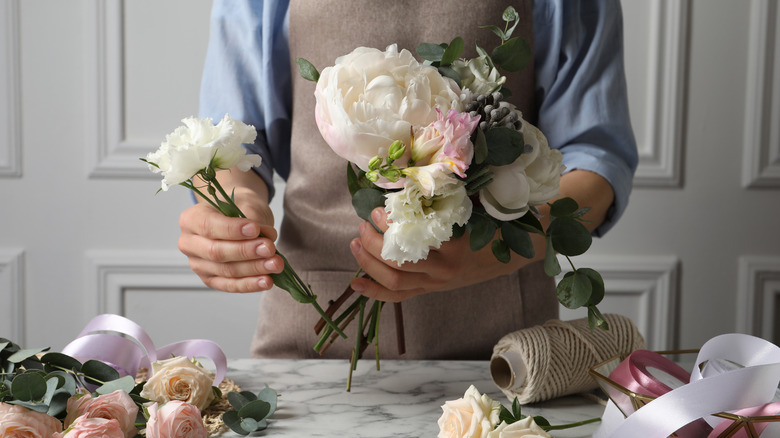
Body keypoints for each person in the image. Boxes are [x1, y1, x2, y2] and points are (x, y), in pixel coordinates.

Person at [178, 0, 638, 360]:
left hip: (509, 352)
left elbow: (595, 161)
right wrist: (234, 209)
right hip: (309, 342)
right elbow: (231, 144)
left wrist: (498, 250)